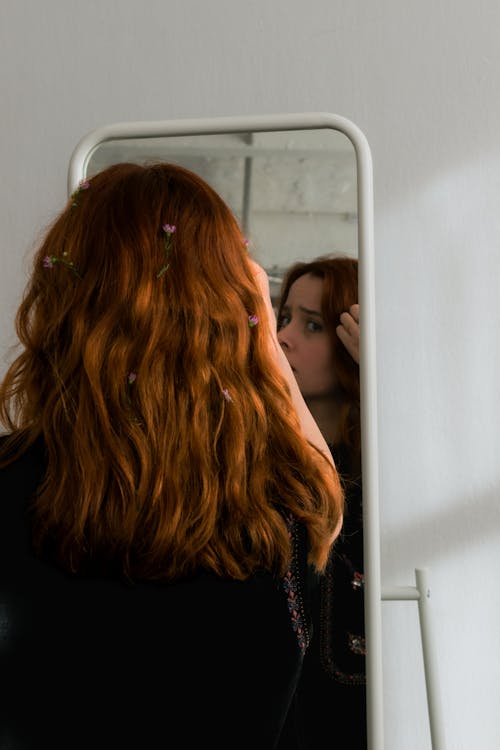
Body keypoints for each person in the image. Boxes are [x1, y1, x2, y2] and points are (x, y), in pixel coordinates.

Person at [0, 163, 345, 750]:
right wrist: (256, 314)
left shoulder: (11, 478)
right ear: (228, 314)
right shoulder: (280, 511)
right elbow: (324, 489)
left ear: (64, 301)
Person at [276, 255, 366, 748]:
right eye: (283, 318)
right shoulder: (266, 462)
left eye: (311, 325)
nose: (283, 337)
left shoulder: (378, 465)